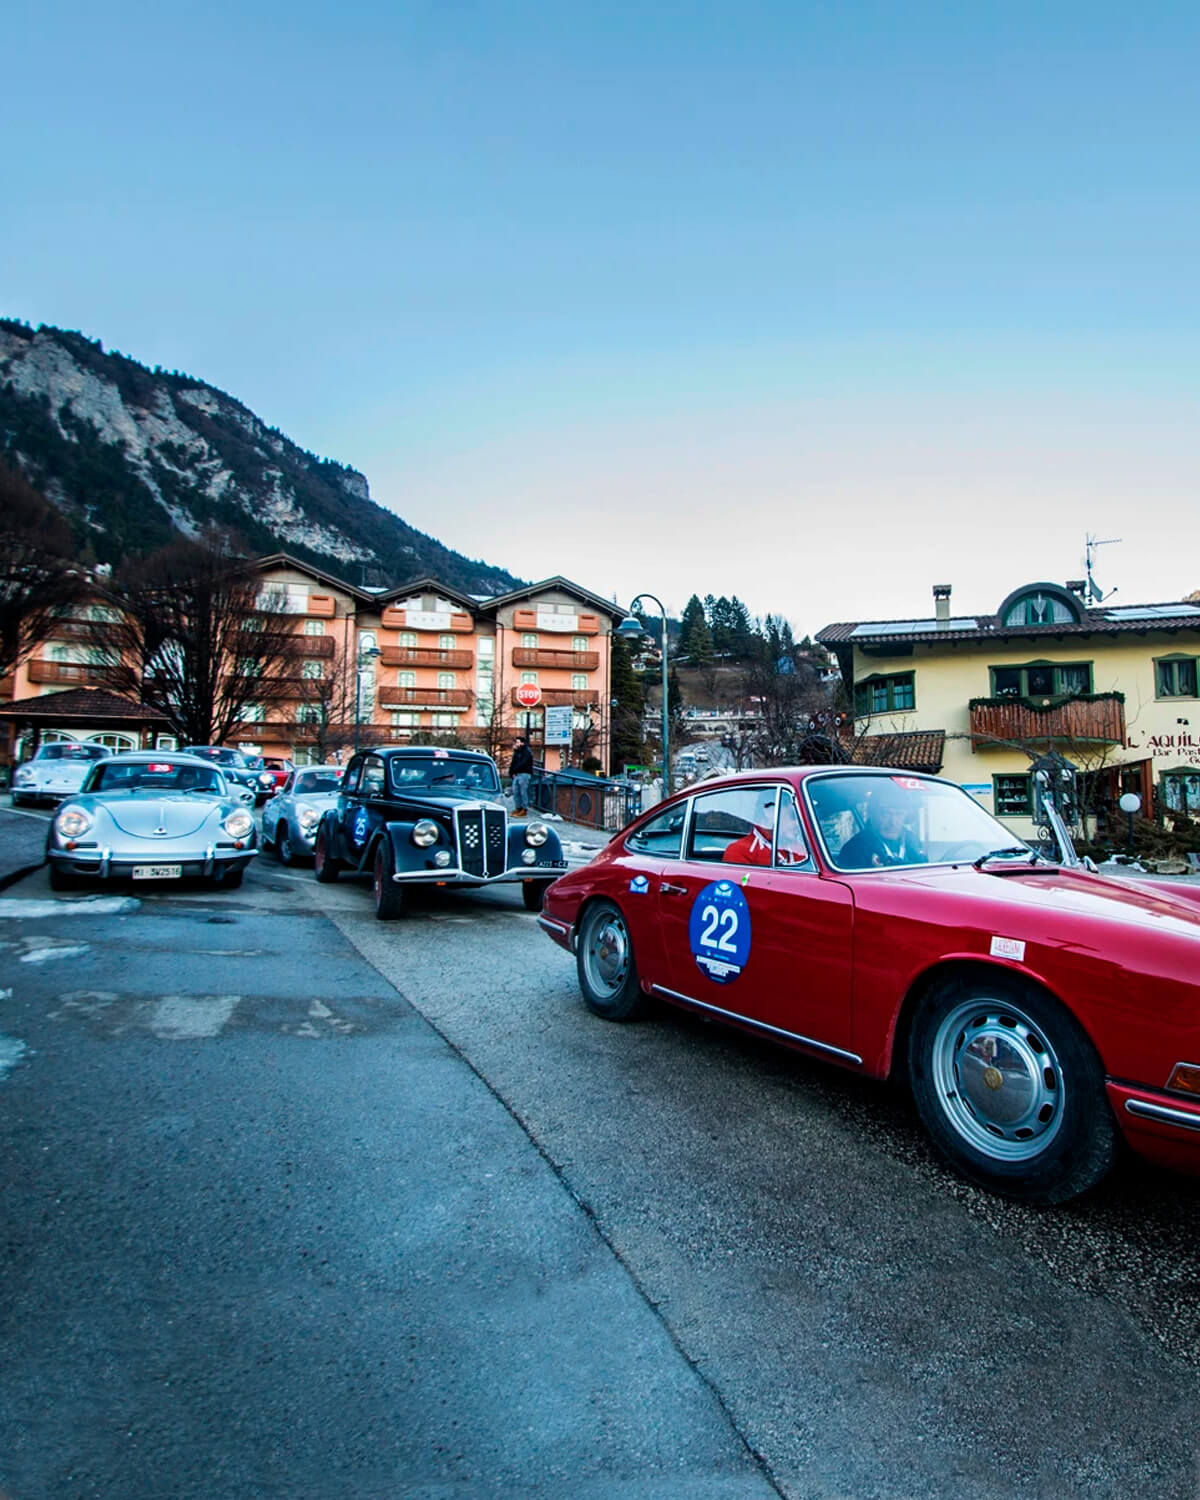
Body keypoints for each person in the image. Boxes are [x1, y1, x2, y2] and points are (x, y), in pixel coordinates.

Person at [839, 783, 925, 869]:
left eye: (899, 814)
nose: (893, 822)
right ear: (872, 813)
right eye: (886, 814)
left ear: (907, 816)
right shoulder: (855, 848)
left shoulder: (913, 841)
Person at [509, 738, 534, 816]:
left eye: (517, 742)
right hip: (517, 773)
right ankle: (518, 808)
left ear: (522, 743)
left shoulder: (526, 752)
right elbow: (513, 763)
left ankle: (524, 809)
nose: (516, 744)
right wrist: (512, 772)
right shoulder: (517, 752)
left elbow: (523, 762)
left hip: (524, 773)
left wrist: (515, 769)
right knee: (516, 791)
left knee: (523, 791)